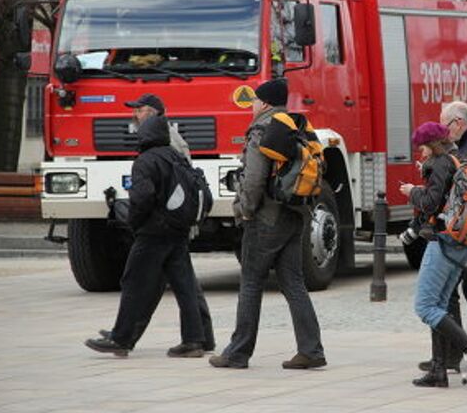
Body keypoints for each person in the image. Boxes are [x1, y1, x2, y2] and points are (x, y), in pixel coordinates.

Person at [209, 78, 326, 370]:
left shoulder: (262, 129)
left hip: (266, 218)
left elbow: (253, 178)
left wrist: (245, 211)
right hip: (294, 214)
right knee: (293, 283)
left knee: (250, 282)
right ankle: (311, 350)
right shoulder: (295, 126)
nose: (251, 106)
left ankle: (237, 352)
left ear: (263, 103)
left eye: (253, 101)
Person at [97, 93, 215, 353]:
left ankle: (122, 337)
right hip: (177, 227)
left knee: (136, 281)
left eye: (138, 111)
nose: (134, 117)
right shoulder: (174, 152)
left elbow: (144, 198)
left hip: (155, 230)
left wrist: (134, 224)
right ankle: (196, 339)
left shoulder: (148, 158)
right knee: (184, 284)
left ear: (151, 116)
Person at [400, 122, 467, 388]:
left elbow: (431, 203)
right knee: (441, 305)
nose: (420, 153)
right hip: (463, 241)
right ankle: (438, 369)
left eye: (422, 148)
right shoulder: (459, 160)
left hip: (443, 240)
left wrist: (413, 192)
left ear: (432, 145)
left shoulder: (441, 163)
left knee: (425, 307)